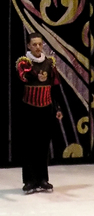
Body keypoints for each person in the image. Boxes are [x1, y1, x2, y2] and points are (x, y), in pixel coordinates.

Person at [16, 32, 63, 194]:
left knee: (43, 145)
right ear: (28, 46)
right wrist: (35, 75)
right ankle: (30, 180)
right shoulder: (24, 63)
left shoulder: (50, 63)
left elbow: (55, 88)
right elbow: (22, 79)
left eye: (40, 44)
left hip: (46, 108)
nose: (37, 47)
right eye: (34, 44)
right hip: (29, 109)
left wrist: (58, 108)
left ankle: (43, 179)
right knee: (29, 145)